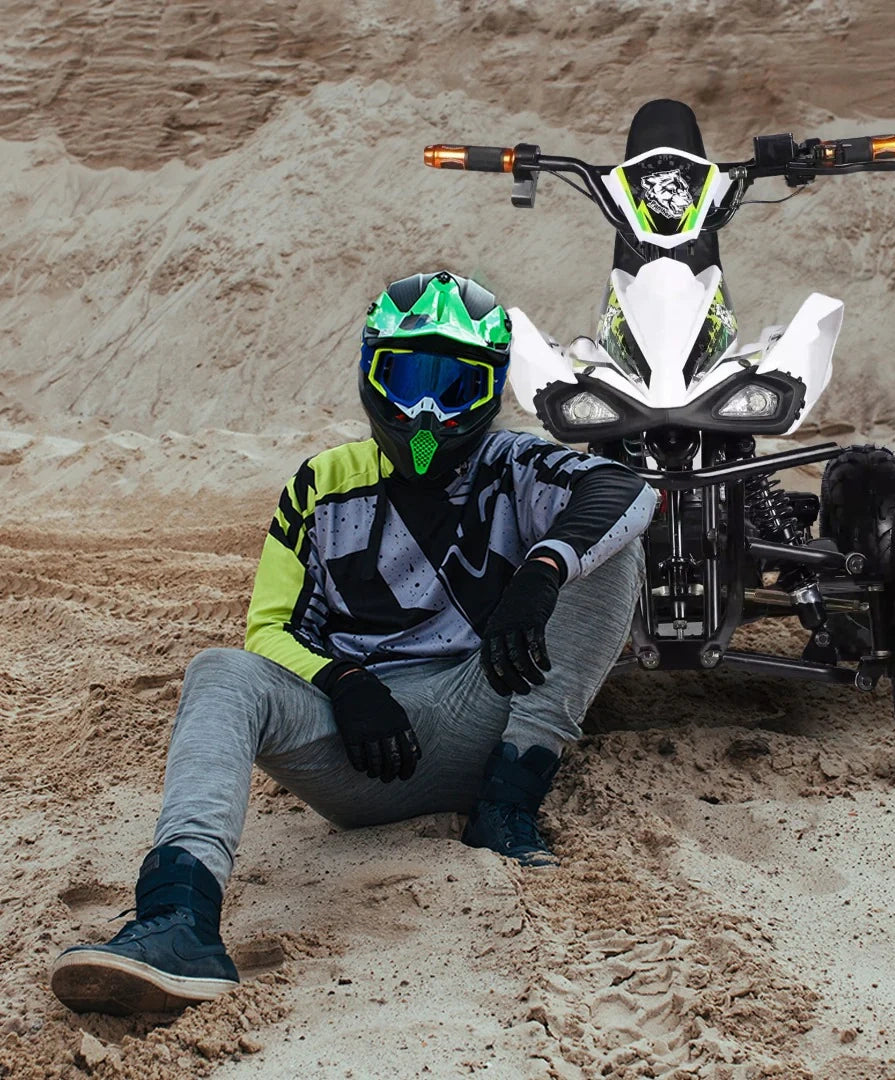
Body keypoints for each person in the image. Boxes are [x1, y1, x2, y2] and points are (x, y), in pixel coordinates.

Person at [49, 271, 657, 1016]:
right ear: (371, 374)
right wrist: (342, 681)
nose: (426, 409)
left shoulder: (513, 462)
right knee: (220, 671)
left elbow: (630, 490)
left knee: (608, 541)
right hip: (362, 748)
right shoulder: (319, 482)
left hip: (486, 715)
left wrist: (542, 569)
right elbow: (266, 631)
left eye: (454, 385)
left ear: (491, 389)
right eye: (405, 378)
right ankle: (178, 917)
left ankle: (510, 804)